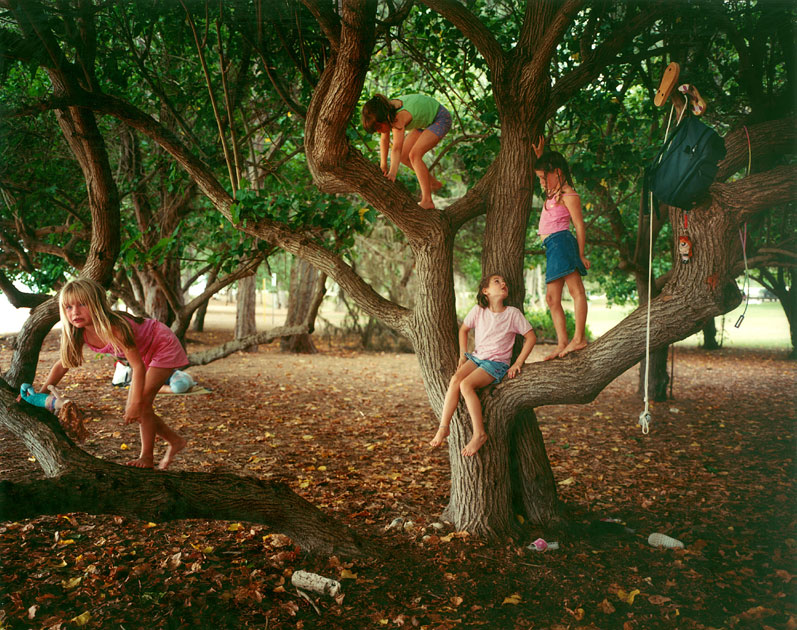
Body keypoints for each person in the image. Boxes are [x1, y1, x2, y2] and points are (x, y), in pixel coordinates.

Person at [39, 278, 188, 469]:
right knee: (140, 405)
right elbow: (63, 364)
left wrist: (134, 404)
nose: (75, 312)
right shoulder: (79, 332)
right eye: (68, 307)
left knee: (141, 403)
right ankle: (175, 441)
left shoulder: (114, 328)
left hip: (161, 344)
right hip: (144, 353)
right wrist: (41, 393)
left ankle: (147, 458)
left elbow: (137, 367)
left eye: (82, 304)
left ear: (97, 304)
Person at [430, 274, 536, 456]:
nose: (503, 283)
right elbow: (464, 329)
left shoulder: (512, 313)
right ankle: (443, 426)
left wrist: (518, 362)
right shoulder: (479, 311)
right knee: (455, 380)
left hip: (496, 363)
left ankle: (479, 433)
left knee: (466, 385)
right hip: (477, 358)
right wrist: (463, 356)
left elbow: (531, 337)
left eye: (505, 282)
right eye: (497, 281)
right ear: (485, 291)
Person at [534, 144, 591, 360]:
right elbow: (548, 173)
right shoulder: (553, 190)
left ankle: (579, 338)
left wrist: (581, 253)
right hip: (552, 247)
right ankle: (562, 342)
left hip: (562, 243)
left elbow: (579, 225)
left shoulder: (568, 195)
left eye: (542, 177)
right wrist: (541, 156)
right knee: (551, 298)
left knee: (576, 290)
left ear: (557, 173)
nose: (541, 183)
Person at [361, 93, 452, 210]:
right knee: (404, 157)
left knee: (414, 155)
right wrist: (383, 165)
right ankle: (432, 182)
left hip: (440, 119)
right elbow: (384, 140)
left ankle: (427, 201)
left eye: (378, 127)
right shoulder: (387, 113)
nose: (379, 131)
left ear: (384, 118)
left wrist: (393, 173)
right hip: (423, 123)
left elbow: (396, 148)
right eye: (376, 130)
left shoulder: (398, 118)